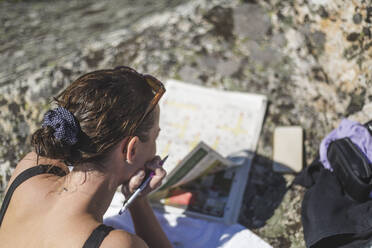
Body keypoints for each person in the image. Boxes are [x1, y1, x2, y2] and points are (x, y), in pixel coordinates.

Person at [0, 66, 173, 248]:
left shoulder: (30, 170)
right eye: (155, 137)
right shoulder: (115, 244)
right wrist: (139, 203)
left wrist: (136, 197)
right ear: (132, 149)